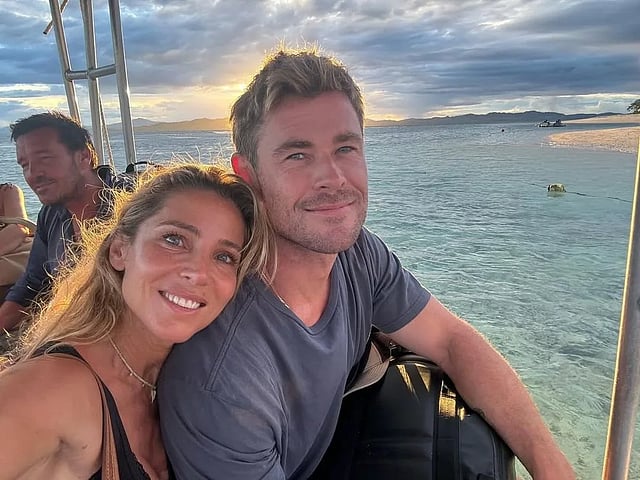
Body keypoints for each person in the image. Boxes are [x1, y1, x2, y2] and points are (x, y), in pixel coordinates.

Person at [159, 46, 575, 479]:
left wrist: (553, 469)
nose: (333, 178)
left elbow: (452, 341)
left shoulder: (356, 255)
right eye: (297, 155)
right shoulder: (221, 381)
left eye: (345, 148)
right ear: (250, 176)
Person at [0, 163, 274, 479]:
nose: (198, 273)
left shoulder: (180, 386)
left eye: (224, 257)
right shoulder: (50, 389)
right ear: (120, 250)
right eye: (174, 239)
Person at [0, 111, 131, 332]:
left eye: (44, 158)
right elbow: (32, 283)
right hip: (73, 329)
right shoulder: (50, 215)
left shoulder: (135, 205)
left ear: (84, 156)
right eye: (24, 165)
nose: (33, 174)